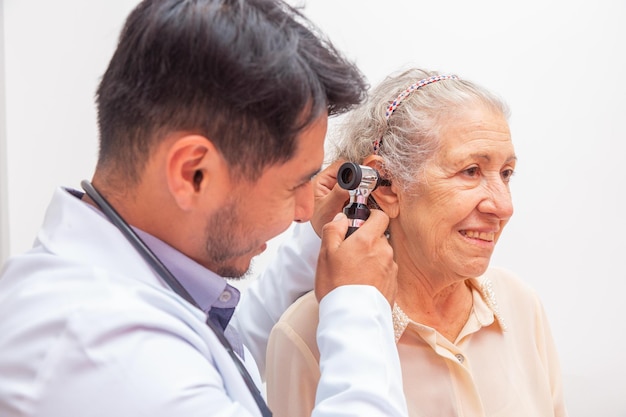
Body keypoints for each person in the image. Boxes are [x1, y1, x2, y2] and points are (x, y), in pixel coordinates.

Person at [0, 1, 410, 416]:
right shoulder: (102, 346)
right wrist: (359, 306)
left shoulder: (124, 287)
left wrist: (318, 245)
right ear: (193, 172)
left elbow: (230, 350)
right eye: (293, 185)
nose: (307, 210)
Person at [265, 68, 568, 417]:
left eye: (506, 174)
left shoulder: (520, 304)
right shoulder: (304, 336)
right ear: (388, 186)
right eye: (470, 171)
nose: (504, 207)